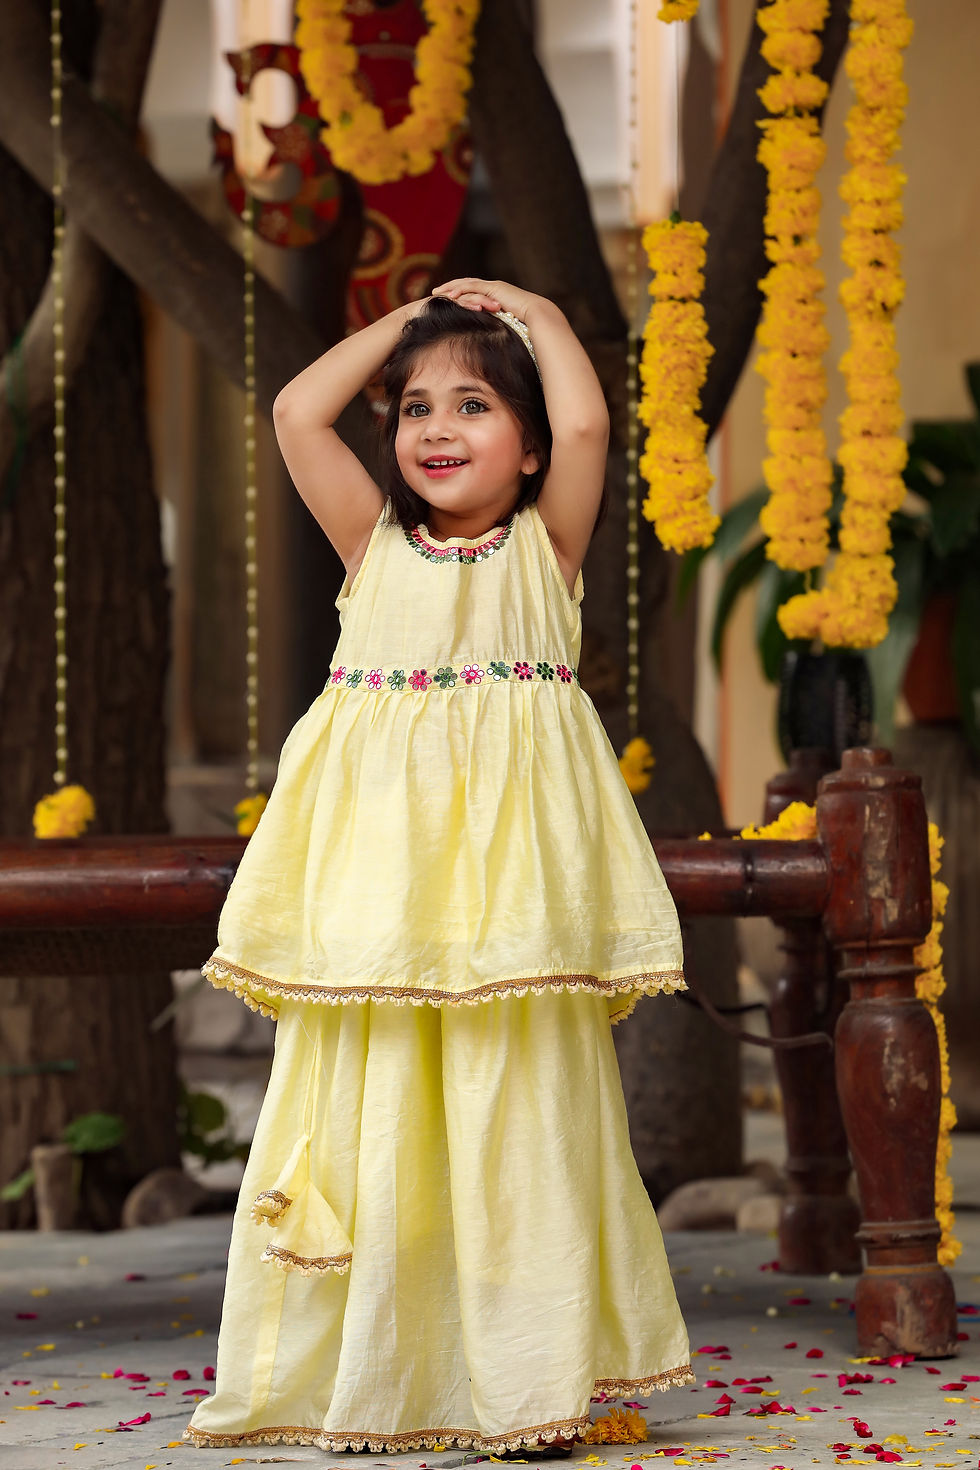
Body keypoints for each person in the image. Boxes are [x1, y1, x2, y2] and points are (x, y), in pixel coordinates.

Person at [185, 279, 693, 1456]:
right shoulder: (369, 548)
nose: (436, 429)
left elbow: (587, 420)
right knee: (374, 1122)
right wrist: (412, 318)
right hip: (380, 907)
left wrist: (531, 311)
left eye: (473, 405)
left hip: (511, 919)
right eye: (416, 408)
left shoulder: (544, 553)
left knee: (517, 1117)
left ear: (528, 449)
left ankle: (528, 1388)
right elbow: (297, 412)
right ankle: (374, 1379)